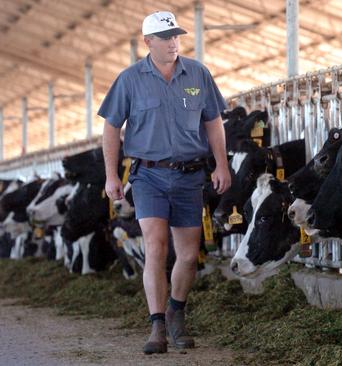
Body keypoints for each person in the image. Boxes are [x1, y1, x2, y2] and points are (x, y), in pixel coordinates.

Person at [98, 10, 231, 354]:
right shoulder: (129, 79)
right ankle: (156, 325)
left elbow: (214, 121)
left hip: (190, 175)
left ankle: (176, 311)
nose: (173, 42)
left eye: (176, 36)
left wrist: (222, 164)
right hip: (149, 175)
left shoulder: (198, 74)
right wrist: (112, 174)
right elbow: (111, 127)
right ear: (148, 42)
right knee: (156, 246)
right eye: (166, 37)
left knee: (188, 256)